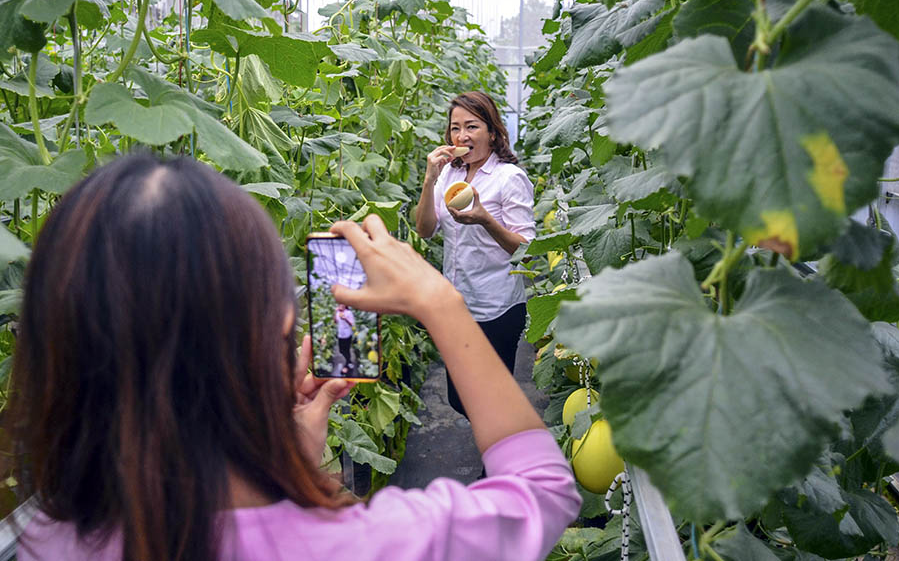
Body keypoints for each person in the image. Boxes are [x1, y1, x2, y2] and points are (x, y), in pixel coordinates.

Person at [13, 153, 580, 560]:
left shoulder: (45, 538)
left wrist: (283, 460)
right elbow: (544, 489)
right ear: (280, 333)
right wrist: (441, 303)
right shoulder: (364, 542)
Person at [415, 91, 536, 416]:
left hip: (496, 309)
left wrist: (485, 219)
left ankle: (497, 448)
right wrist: (429, 179)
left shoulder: (508, 178)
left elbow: (526, 251)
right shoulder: (449, 175)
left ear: (492, 132)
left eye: (472, 126)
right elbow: (425, 229)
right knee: (460, 399)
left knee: (490, 402)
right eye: (455, 128)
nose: (462, 136)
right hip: (457, 306)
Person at [333, 303, 356, 374]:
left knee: (347, 349)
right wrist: (335, 312)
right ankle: (349, 361)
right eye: (340, 305)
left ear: (345, 306)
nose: (341, 306)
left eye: (343, 305)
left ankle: (347, 364)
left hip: (347, 334)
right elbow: (335, 321)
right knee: (341, 350)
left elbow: (352, 324)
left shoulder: (348, 313)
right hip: (340, 334)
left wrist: (345, 319)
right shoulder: (338, 313)